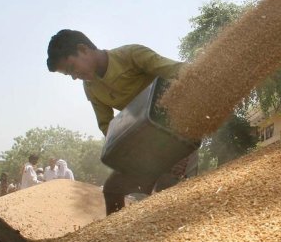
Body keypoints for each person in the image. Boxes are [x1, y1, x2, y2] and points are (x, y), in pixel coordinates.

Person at [46, 29, 185, 215]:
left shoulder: (131, 55)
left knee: (167, 186)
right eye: (68, 75)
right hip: (145, 148)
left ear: (83, 49)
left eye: (72, 68)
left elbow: (178, 71)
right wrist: (129, 155)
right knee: (112, 189)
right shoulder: (91, 88)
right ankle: (116, 239)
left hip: (178, 134)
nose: (74, 76)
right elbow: (107, 126)